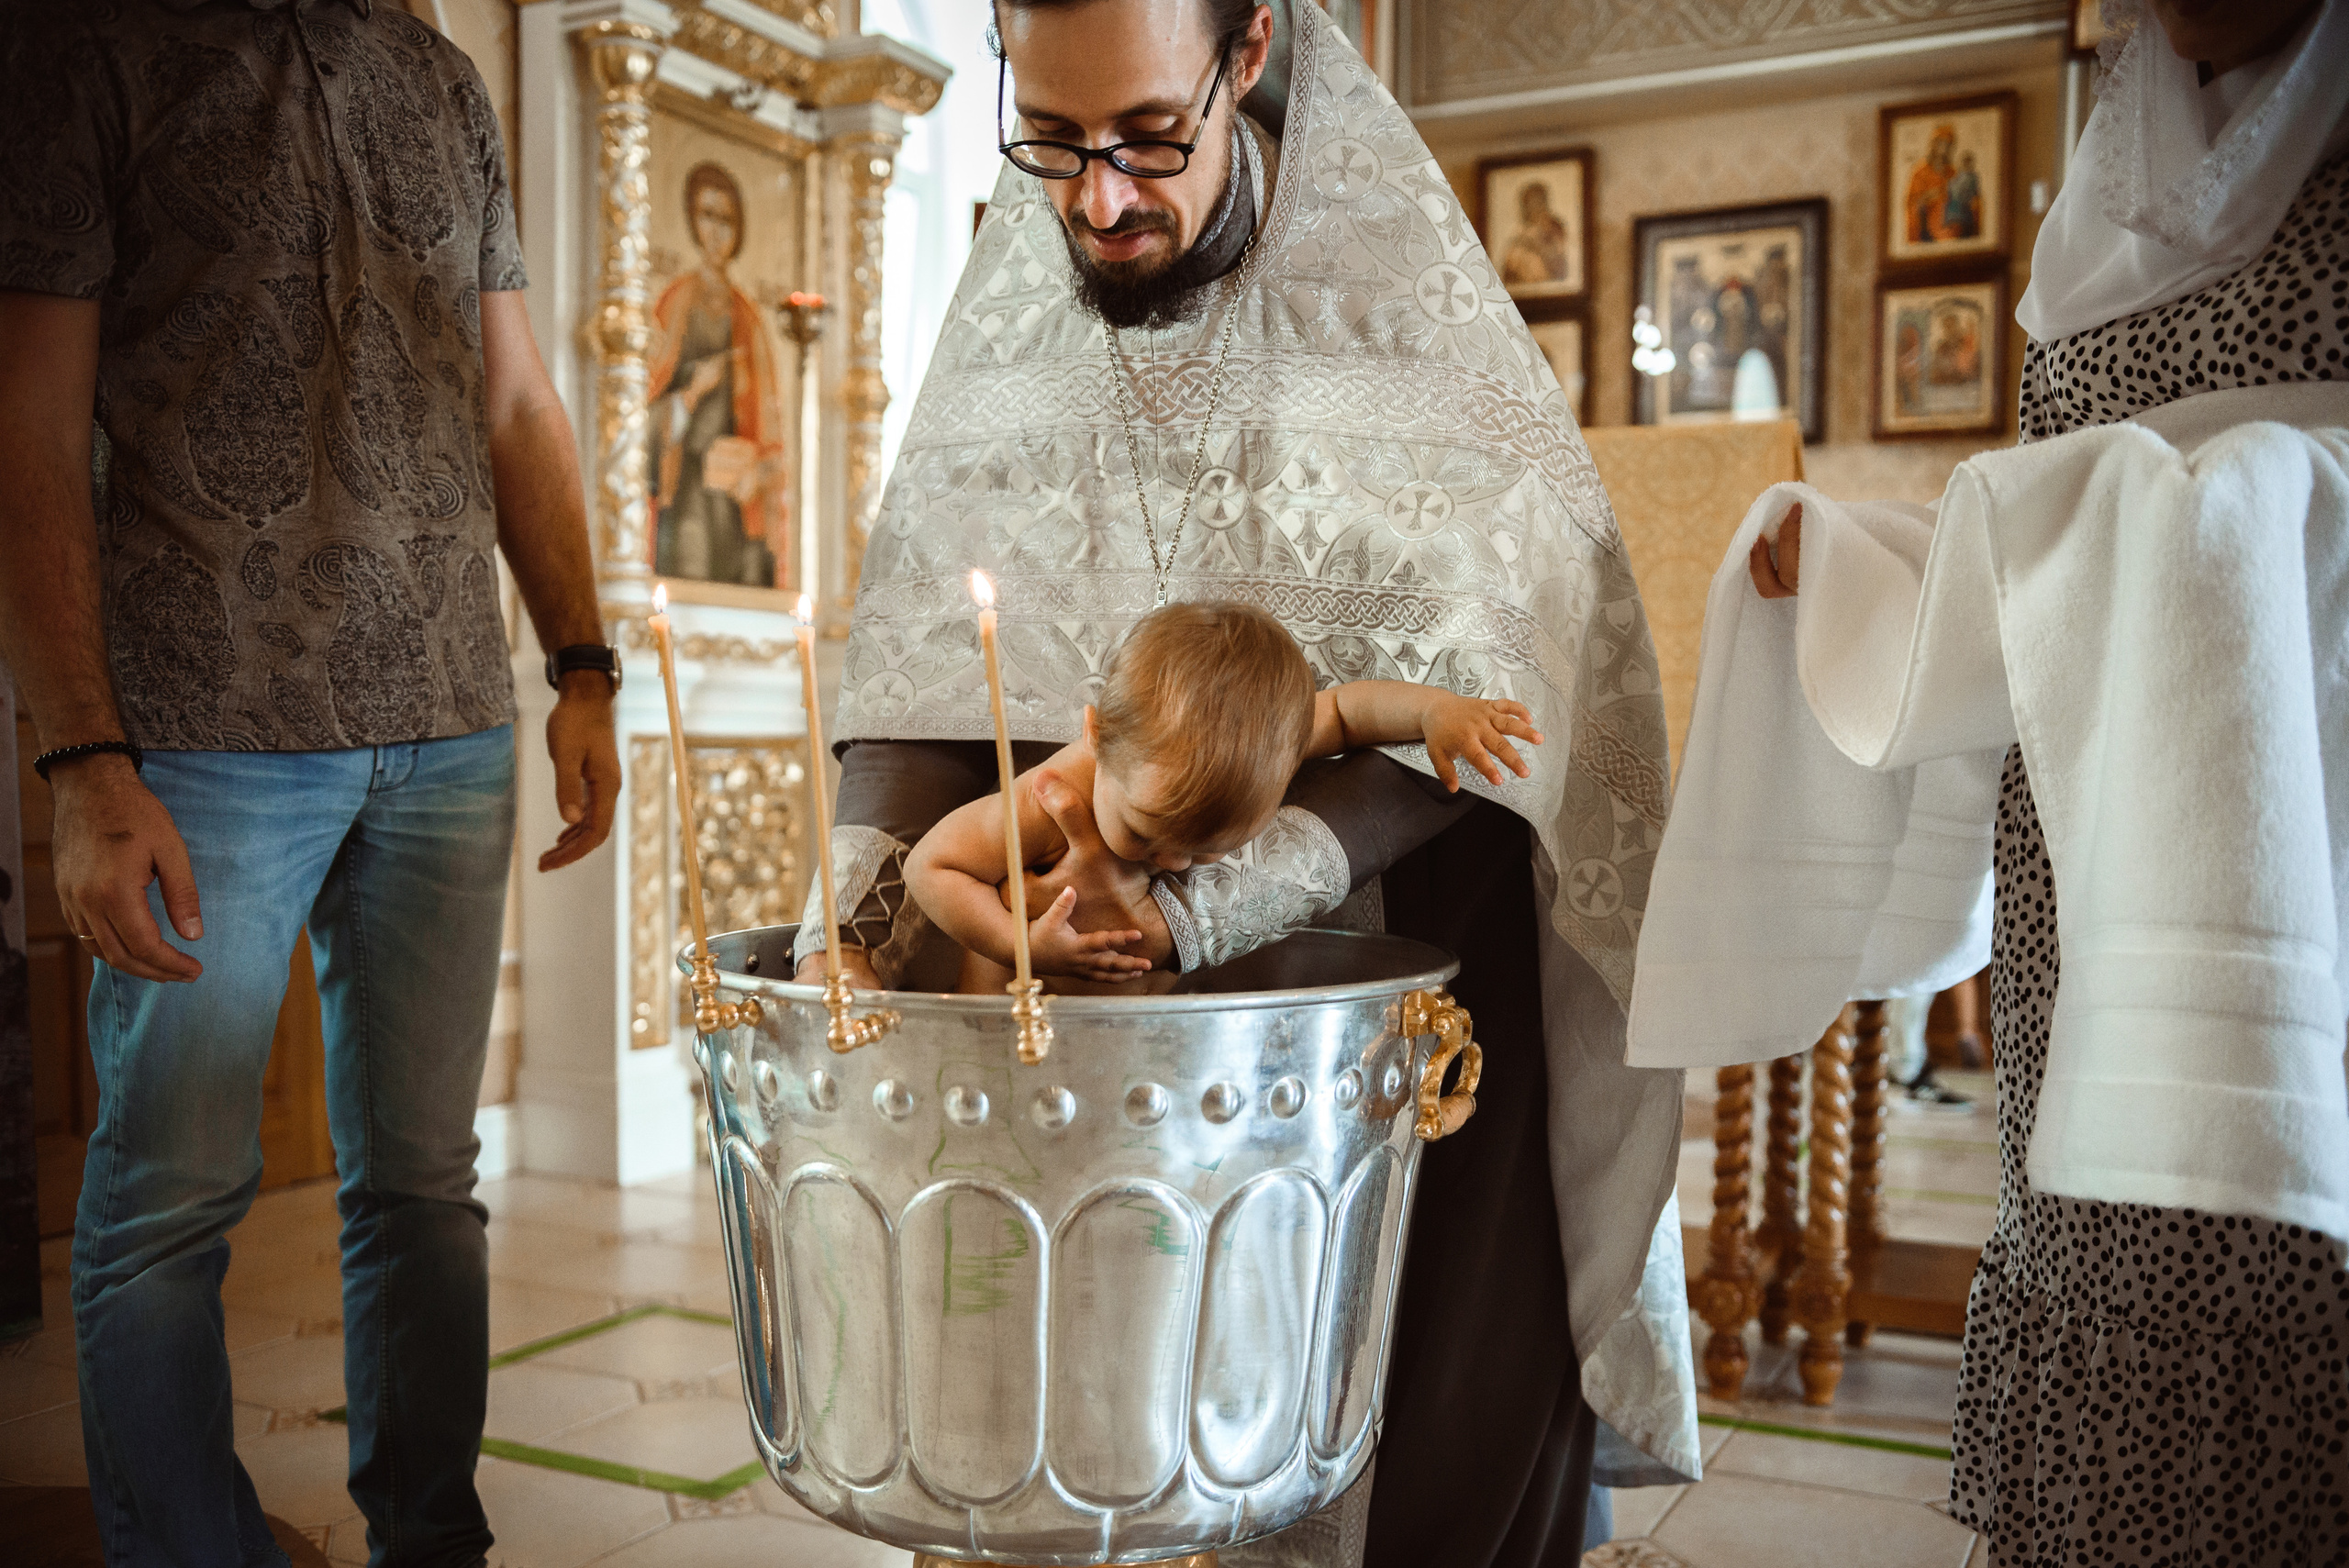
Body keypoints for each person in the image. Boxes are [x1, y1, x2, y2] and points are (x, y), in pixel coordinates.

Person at [797, 3, 1703, 1563]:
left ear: (1251, 52)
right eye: (1051, 142)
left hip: (1398, 985)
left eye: (1152, 138)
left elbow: (1486, 692)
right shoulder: (1013, 312)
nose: (1098, 199)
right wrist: (854, 924)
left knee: (1398, 1449)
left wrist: (1206, 903)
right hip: (1091, 1043)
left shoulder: (1392, 303)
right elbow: (928, 665)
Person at [1634, 0, 2349, 1561]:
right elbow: (2061, 519)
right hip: (2071, 870)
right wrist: (1875, 561)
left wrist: (2151, 518)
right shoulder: (2111, 181)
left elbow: (2168, 505)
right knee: (2095, 1268)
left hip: (2304, 854)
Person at [0, 4, 623, 1564]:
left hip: (453, 725)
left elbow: (516, 400)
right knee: (167, 1200)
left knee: (424, 1187)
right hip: (199, 729)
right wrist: (82, 761)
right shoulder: (87, 48)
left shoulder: (442, 79)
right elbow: (27, 424)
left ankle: (432, 1540)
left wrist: (582, 661)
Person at [905, 602, 1542, 996]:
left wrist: (1433, 711)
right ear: (1098, 735)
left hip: (1129, 1032)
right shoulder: (1051, 797)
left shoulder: (1253, 750)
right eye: (1145, 832)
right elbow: (932, 866)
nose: (1173, 863)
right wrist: (1019, 943)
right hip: (1004, 1030)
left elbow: (1348, 712)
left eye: (1206, 850)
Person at [646, 161, 789, 587]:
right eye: (707, 216)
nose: (716, 232)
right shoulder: (675, 304)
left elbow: (771, 431)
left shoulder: (748, 318)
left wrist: (756, 469)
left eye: (726, 220)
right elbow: (640, 414)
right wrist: (690, 394)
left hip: (735, 495)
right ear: (693, 221)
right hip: (685, 487)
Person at [1500, 180, 1569, 289]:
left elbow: (1557, 254)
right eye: (1529, 203)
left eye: (1537, 201)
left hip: (1546, 274)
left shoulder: (1553, 226)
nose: (1533, 207)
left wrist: (1536, 243)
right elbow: (1510, 262)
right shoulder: (1522, 230)